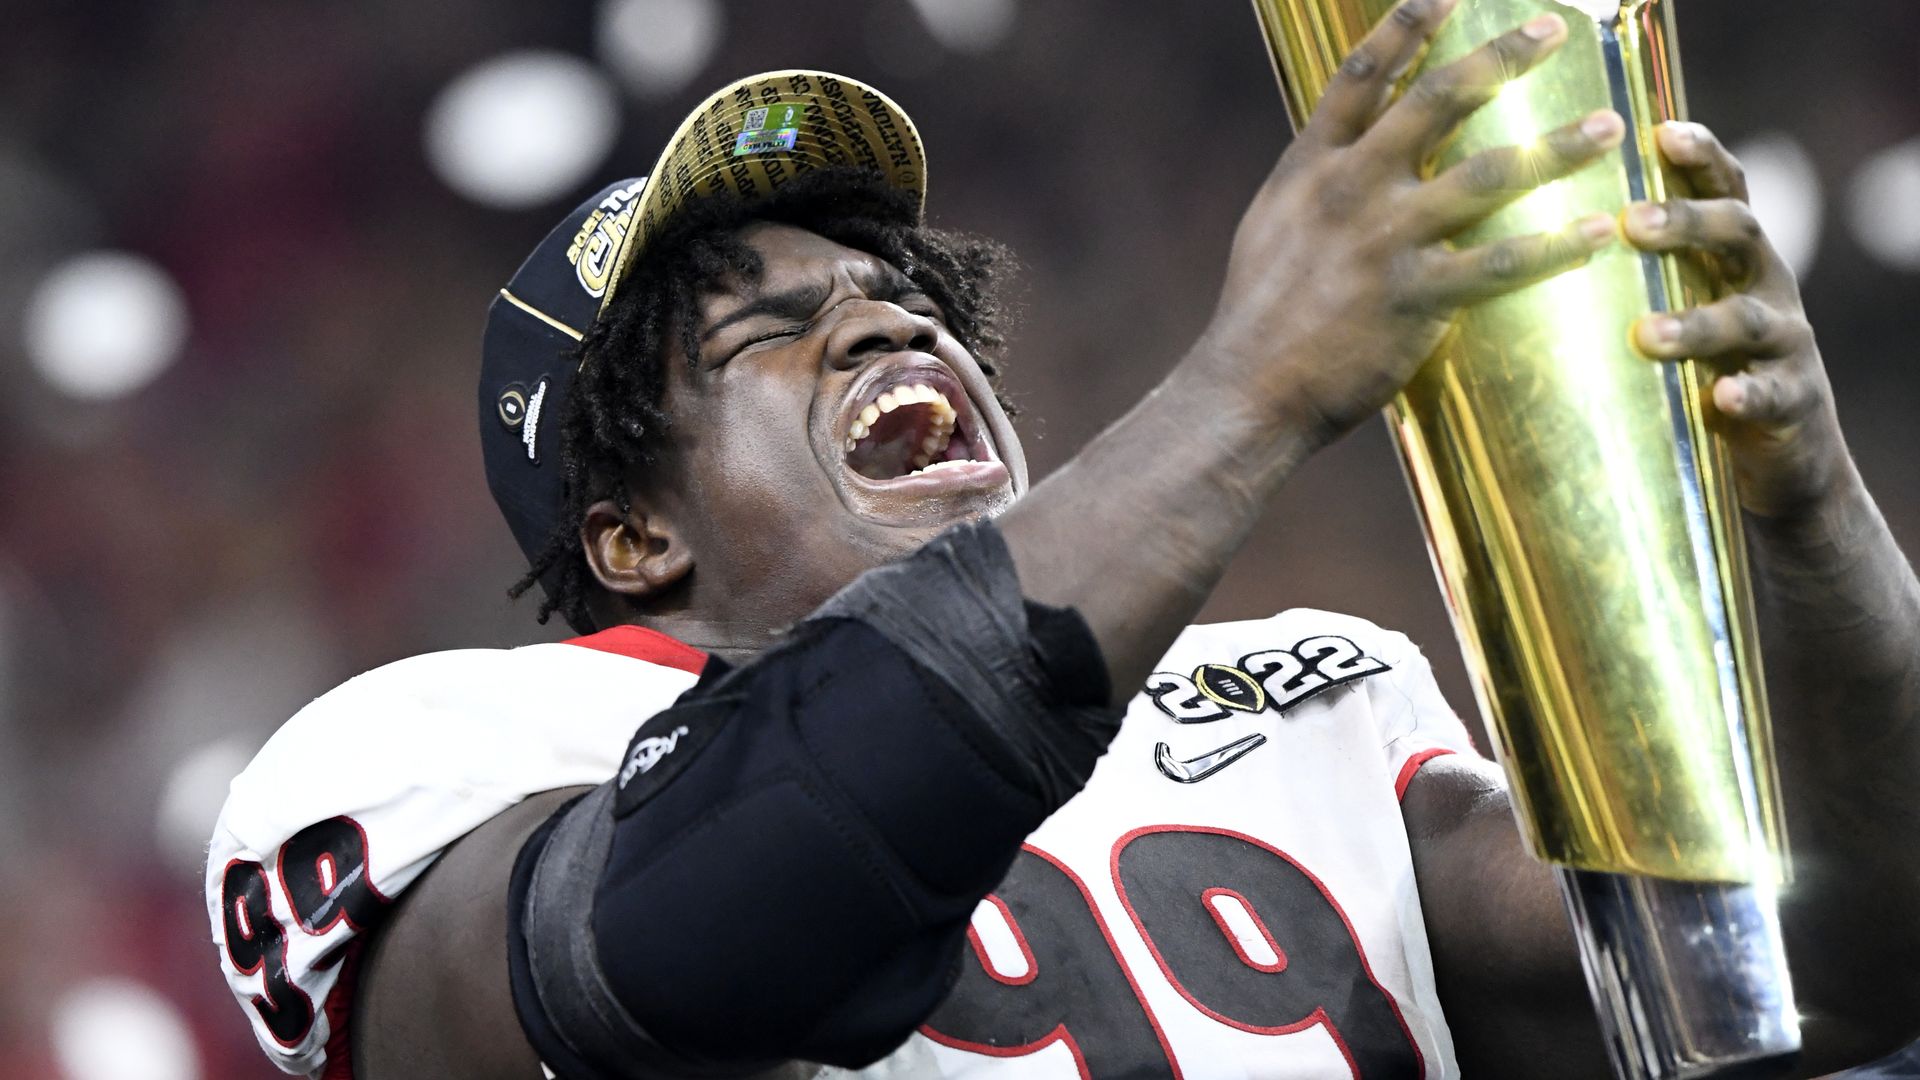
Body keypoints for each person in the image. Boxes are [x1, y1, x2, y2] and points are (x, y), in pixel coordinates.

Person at [205, 1, 1920, 1076]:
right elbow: (679, 948)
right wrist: (1250, 386)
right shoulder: (433, 752)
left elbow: (1818, 980)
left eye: (904, 300)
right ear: (633, 532)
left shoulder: (1286, 696)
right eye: (769, 331)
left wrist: (1807, 515)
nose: (889, 334)